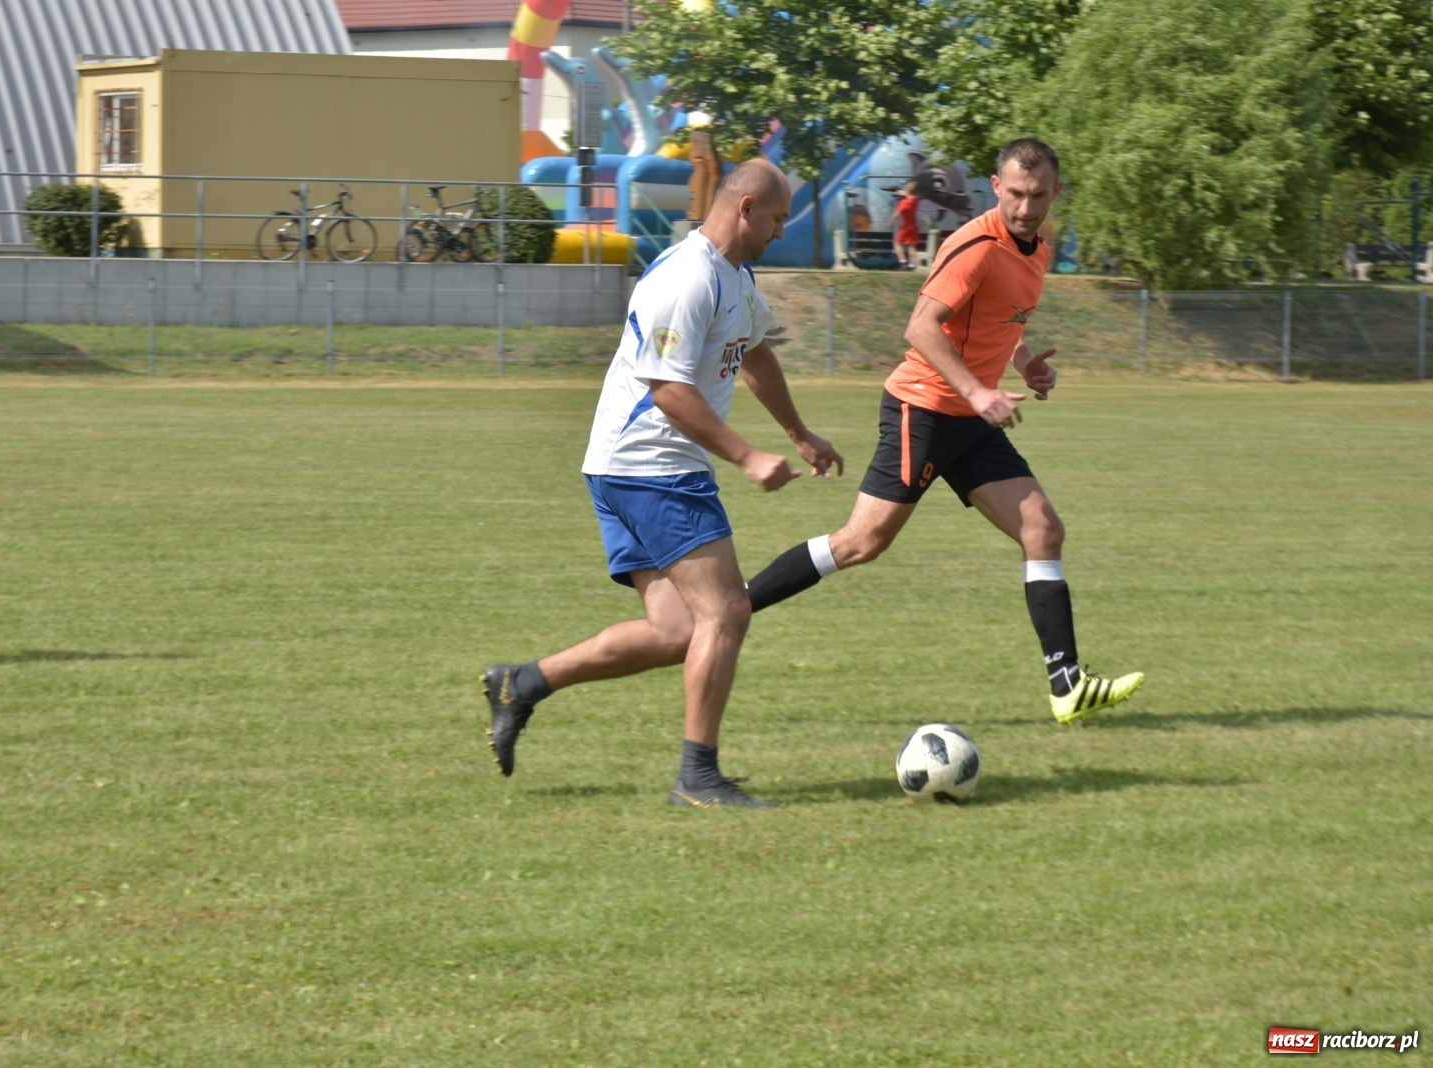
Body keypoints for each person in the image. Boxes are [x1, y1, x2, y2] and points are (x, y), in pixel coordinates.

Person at [483, 158, 844, 808]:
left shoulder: (734, 276)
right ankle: (697, 779)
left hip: (635, 467)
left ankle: (523, 682)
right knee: (727, 610)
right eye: (778, 218)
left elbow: (753, 350)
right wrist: (746, 456)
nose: (779, 231)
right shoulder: (686, 278)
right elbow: (669, 389)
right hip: (652, 466)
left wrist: (797, 433)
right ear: (744, 209)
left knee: (680, 631)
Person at [745, 138, 1144, 725]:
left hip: (972, 418)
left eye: (1037, 196)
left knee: (1043, 528)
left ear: (1055, 193)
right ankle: (733, 606)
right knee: (861, 543)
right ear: (995, 186)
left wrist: (1023, 361)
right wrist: (979, 392)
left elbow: (998, 318)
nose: (1025, 208)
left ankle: (1067, 685)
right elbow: (922, 328)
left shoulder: (1037, 247)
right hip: (925, 410)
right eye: (1014, 194)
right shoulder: (976, 245)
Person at [890, 180, 923, 270]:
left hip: (905, 227)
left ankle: (903, 262)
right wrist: (905, 193)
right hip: (914, 226)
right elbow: (912, 195)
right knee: (911, 245)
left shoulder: (904, 203)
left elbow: (896, 214)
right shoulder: (915, 201)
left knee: (897, 244)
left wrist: (891, 222)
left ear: (907, 190)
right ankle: (912, 265)